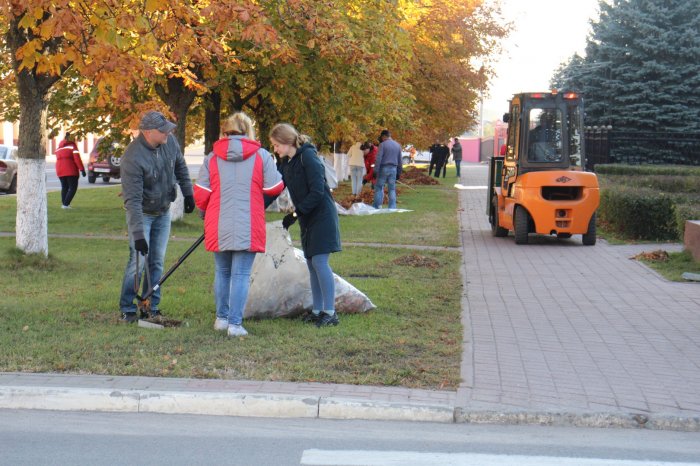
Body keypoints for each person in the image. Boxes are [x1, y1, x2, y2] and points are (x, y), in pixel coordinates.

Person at [194, 112, 284, 337]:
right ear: (248, 131)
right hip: (249, 220)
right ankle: (235, 324)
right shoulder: (262, 156)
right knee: (241, 274)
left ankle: (221, 319)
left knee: (222, 271)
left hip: (218, 220)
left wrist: (207, 209)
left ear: (225, 132)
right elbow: (275, 187)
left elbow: (201, 193)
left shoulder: (212, 158)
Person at [118, 110, 195, 323]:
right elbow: (132, 201)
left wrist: (188, 193)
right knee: (138, 262)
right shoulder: (132, 158)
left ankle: (151, 305)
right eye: (163, 132)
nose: (168, 134)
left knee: (157, 262)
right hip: (142, 213)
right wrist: (138, 235)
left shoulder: (169, 143)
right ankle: (128, 308)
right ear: (149, 132)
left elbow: (180, 166)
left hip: (162, 211)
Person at [269, 123, 341, 327]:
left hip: (321, 215)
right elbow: (277, 186)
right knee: (311, 263)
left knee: (319, 262)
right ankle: (318, 310)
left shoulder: (308, 157)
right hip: (306, 216)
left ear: (286, 141)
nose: (275, 149)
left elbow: (318, 192)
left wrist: (295, 213)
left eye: (276, 145)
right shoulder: (287, 162)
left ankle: (330, 313)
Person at [372, 129, 402, 209]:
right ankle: (392, 207)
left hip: (383, 168)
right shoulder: (397, 145)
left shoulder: (382, 145)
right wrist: (399, 172)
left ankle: (377, 206)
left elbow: (378, 159)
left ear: (384, 136)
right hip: (394, 169)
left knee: (379, 187)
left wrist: (375, 171)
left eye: (381, 138)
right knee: (392, 188)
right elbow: (400, 160)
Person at [54, 133, 85, 209]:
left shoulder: (58, 148)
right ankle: (66, 204)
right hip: (70, 170)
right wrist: (82, 169)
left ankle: (64, 204)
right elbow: (77, 159)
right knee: (72, 188)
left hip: (60, 170)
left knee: (64, 187)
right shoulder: (72, 146)